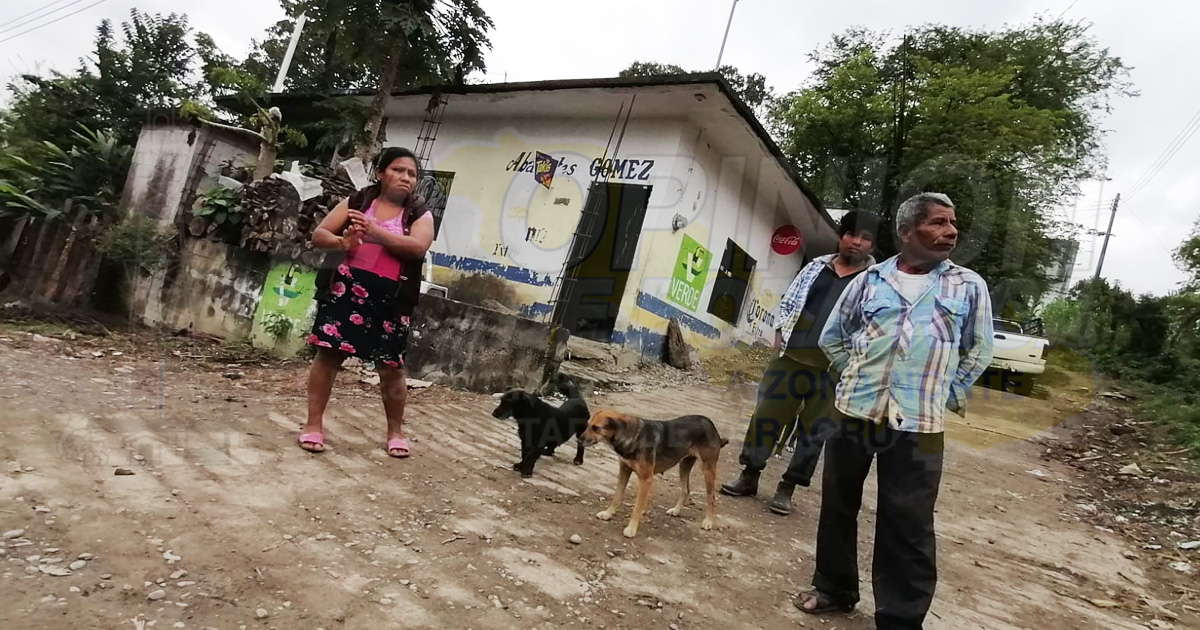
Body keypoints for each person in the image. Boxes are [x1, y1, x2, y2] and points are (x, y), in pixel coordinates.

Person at [795, 192, 994, 629]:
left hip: (920, 421)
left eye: (952, 222)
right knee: (838, 504)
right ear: (907, 232)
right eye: (938, 222)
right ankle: (833, 588)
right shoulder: (869, 280)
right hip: (854, 410)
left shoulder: (967, 285)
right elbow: (833, 336)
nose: (951, 231)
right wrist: (856, 374)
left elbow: (979, 349)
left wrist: (942, 391)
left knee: (909, 520)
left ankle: (901, 618)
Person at [720, 210, 881, 515]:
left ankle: (788, 487)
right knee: (765, 417)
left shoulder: (876, 282)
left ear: (872, 245)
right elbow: (789, 301)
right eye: (851, 234)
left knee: (815, 430)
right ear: (840, 236)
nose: (856, 242)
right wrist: (780, 334)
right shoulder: (815, 267)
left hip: (834, 369)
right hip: (790, 359)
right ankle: (749, 474)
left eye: (865, 238)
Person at [298, 147, 435, 458]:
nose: (405, 177)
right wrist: (342, 242)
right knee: (328, 357)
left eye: (412, 173)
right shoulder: (358, 202)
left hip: (392, 298)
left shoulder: (419, 213)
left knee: (391, 367)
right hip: (344, 289)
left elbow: (417, 247)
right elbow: (319, 235)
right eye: (398, 170)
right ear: (380, 173)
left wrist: (375, 232)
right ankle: (313, 424)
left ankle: (395, 432)